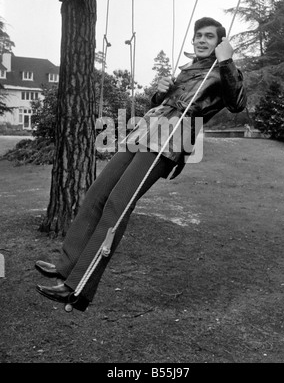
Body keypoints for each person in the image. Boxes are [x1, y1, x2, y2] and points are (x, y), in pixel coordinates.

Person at [35, 17, 247, 311]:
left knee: (117, 205)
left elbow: (238, 103)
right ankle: (66, 265)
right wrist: (160, 92)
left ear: (220, 43)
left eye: (209, 36)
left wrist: (227, 62)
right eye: (198, 35)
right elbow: (160, 103)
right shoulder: (189, 69)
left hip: (169, 141)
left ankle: (78, 287)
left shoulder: (222, 71)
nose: (201, 40)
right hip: (145, 130)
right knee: (97, 194)